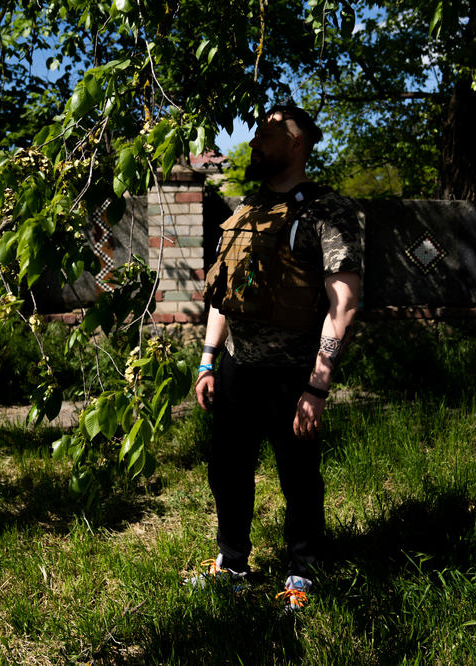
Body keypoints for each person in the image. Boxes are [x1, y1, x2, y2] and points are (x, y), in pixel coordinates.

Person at [188, 104, 364, 611]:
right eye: (257, 129)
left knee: (298, 477)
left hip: (293, 373)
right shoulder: (247, 207)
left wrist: (317, 386)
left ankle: (302, 572)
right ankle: (233, 564)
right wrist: (207, 361)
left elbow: (343, 302)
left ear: (298, 143)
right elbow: (225, 294)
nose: (256, 138)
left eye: (270, 130)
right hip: (237, 369)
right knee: (228, 471)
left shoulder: (326, 210)